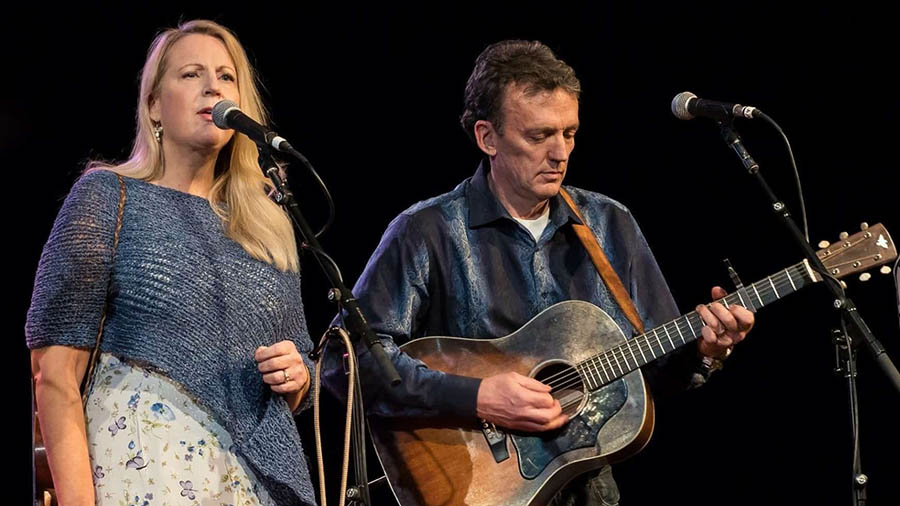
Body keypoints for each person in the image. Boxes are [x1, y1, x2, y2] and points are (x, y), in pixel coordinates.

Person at [323, 40, 754, 505]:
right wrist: (477, 396)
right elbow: (345, 362)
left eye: (569, 133)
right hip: (473, 489)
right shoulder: (425, 232)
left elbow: (656, 375)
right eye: (538, 136)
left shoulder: (610, 224)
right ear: (487, 137)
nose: (560, 153)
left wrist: (707, 351)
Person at [26, 19, 316, 506]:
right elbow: (53, 375)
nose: (213, 87)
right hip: (145, 469)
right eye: (191, 74)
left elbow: (301, 361)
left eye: (227, 77)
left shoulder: (267, 224)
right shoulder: (109, 197)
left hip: (246, 484)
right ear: (154, 105)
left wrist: (297, 376)